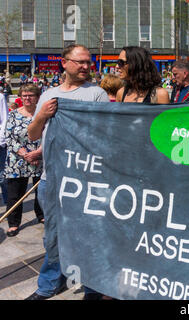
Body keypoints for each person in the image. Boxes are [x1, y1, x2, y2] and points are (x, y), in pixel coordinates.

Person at [26, 44, 110, 301]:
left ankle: (93, 287)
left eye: (88, 62)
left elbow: (104, 135)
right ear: (64, 63)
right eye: (80, 62)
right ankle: (50, 284)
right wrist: (41, 115)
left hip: (85, 181)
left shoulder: (97, 94)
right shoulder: (48, 94)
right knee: (52, 235)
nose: (85, 66)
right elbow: (33, 134)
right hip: (51, 179)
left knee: (89, 234)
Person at [4, 84, 43, 237]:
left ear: (37, 97)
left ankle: (41, 214)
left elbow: (48, 133)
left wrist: (37, 153)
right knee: (15, 193)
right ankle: (13, 223)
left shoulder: (42, 114)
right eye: (24, 95)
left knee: (41, 191)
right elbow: (9, 137)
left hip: (39, 158)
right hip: (17, 160)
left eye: (31, 95)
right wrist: (25, 154)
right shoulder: (13, 114)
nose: (27, 98)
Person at [0, 93, 9, 205]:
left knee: (2, 177)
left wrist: (1, 140)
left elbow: (5, 120)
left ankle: (8, 205)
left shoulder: (0, 97)